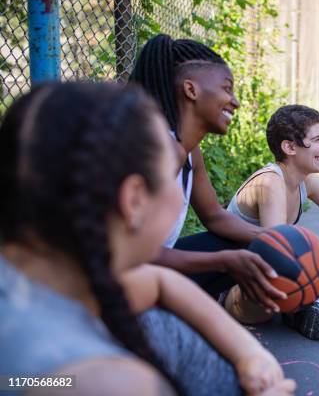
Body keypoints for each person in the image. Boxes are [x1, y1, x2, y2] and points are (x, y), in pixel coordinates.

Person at [0, 82, 295, 396]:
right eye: (173, 172)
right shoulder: (106, 383)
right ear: (135, 200)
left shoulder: (44, 278)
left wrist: (250, 354)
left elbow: (158, 281)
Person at [129, 34, 286, 313]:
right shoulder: (154, 152)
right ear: (191, 90)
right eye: (227, 89)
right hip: (119, 280)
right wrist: (223, 261)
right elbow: (131, 254)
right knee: (237, 255)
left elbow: (214, 215)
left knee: (254, 245)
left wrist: (272, 239)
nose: (235, 102)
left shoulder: (188, 150)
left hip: (151, 264)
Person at [223, 105, 319, 340]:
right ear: (289, 147)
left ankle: (318, 305)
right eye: (318, 140)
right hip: (243, 289)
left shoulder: (307, 181)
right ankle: (313, 300)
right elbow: (278, 256)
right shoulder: (270, 182)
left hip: (278, 277)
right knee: (293, 269)